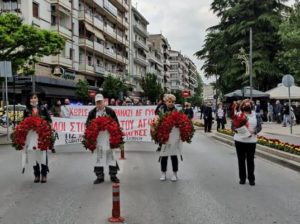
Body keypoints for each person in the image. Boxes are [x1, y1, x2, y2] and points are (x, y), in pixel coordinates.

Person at [86, 94, 120, 184]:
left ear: (104, 102)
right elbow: (87, 125)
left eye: (100, 102)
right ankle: (99, 176)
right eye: (97, 102)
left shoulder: (110, 111)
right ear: (95, 103)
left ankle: (113, 175)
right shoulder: (92, 113)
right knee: (99, 156)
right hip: (98, 139)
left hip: (109, 138)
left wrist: (115, 134)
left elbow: (116, 123)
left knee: (111, 156)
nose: (99, 104)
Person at [23, 93, 52, 183]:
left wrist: (45, 125)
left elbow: (49, 120)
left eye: (35, 98)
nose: (33, 99)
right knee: (34, 154)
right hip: (31, 136)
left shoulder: (43, 108)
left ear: (38, 99)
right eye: (31, 98)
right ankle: (36, 174)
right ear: (29, 100)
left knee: (43, 154)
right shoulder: (27, 110)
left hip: (42, 135)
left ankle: (44, 174)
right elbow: (23, 122)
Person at [233, 99, 262, 186]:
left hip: (251, 141)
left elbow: (259, 127)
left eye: (248, 104)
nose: (247, 106)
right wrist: (238, 130)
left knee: (250, 160)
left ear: (251, 106)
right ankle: (242, 178)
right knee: (241, 160)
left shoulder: (256, 115)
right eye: (245, 104)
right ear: (242, 106)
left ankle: (251, 178)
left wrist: (255, 131)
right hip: (239, 140)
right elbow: (233, 126)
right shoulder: (238, 115)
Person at [158, 94, 182, 182]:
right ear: (165, 102)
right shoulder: (161, 110)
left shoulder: (177, 110)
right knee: (163, 155)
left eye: (172, 102)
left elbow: (180, 122)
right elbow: (157, 120)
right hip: (164, 135)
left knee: (173, 155)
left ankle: (175, 173)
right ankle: (163, 173)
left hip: (174, 136)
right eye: (169, 101)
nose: (170, 103)